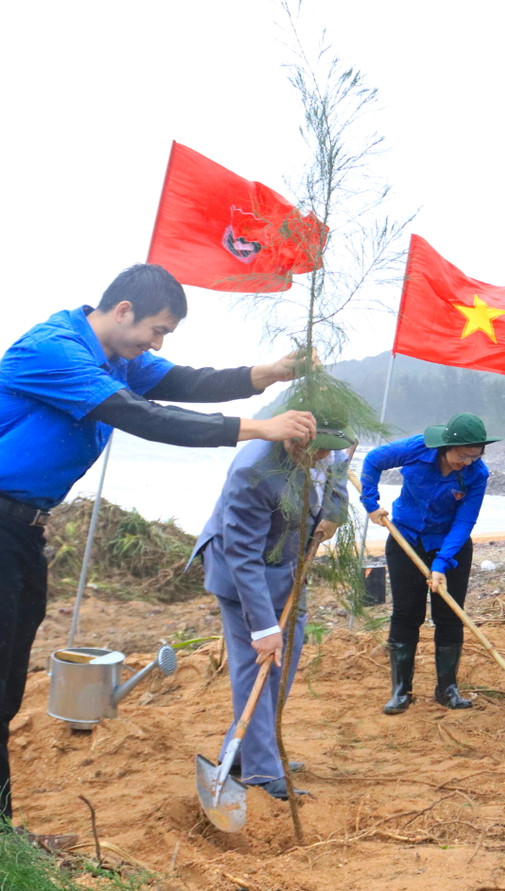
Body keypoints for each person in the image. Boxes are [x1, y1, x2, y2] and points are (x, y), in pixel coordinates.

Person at [0, 264, 315, 828]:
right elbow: (140, 416)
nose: (158, 344)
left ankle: (3, 831)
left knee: (7, 684)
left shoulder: (117, 357)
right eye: (157, 330)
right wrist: (258, 427)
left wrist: (263, 373)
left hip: (24, 531)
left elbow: (181, 383)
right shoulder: (53, 350)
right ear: (123, 311)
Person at [194, 413, 354, 800]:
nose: (321, 458)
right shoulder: (254, 472)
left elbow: (338, 473)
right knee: (259, 665)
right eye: (312, 452)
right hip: (243, 573)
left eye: (325, 451)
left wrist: (332, 513)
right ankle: (262, 773)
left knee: (285, 663)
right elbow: (242, 554)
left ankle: (248, 751)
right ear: (292, 438)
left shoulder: (328, 447)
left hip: (288, 566)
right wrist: (264, 629)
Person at [359, 413, 499, 714]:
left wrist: (442, 564)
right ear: (446, 446)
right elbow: (372, 461)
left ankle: (447, 689)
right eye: (462, 456)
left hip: (451, 546)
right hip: (406, 539)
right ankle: (401, 691)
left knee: (449, 615)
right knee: (406, 614)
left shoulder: (478, 474)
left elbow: (464, 521)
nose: (468, 462)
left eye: (475, 456)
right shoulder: (417, 448)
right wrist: (370, 503)